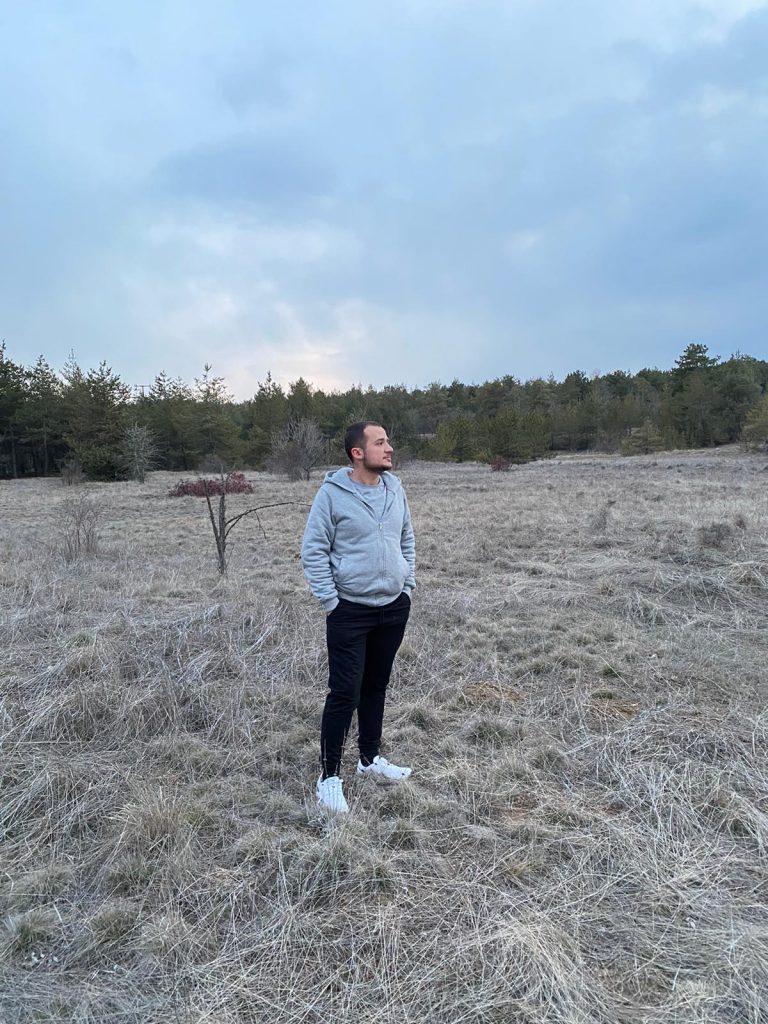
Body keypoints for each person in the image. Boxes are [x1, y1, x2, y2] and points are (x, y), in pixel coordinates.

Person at [301, 422, 416, 813]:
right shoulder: (332, 495)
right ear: (357, 452)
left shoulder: (395, 488)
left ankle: (369, 760)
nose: (389, 448)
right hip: (349, 610)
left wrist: (408, 585)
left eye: (388, 440)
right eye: (380, 442)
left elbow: (406, 538)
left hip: (393, 607)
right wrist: (332, 602)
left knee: (376, 686)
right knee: (344, 693)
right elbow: (313, 549)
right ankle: (328, 777)